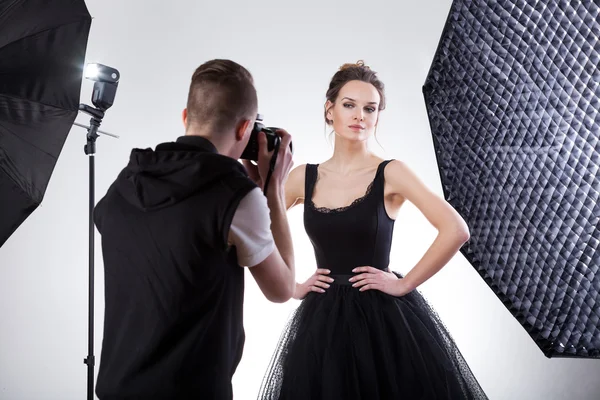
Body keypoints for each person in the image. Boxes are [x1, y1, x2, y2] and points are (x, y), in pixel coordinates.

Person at [258, 60, 488, 399]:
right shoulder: (302, 177)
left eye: (370, 108)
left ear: (378, 115)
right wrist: (291, 285)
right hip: (322, 323)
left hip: (384, 323)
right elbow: (256, 230)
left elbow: (456, 229)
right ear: (329, 110)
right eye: (349, 105)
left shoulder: (392, 173)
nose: (359, 116)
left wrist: (405, 283)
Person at [93, 59, 295, 399]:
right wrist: (272, 189)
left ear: (186, 117)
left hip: (118, 389)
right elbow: (283, 288)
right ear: (245, 129)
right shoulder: (236, 197)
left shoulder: (125, 183)